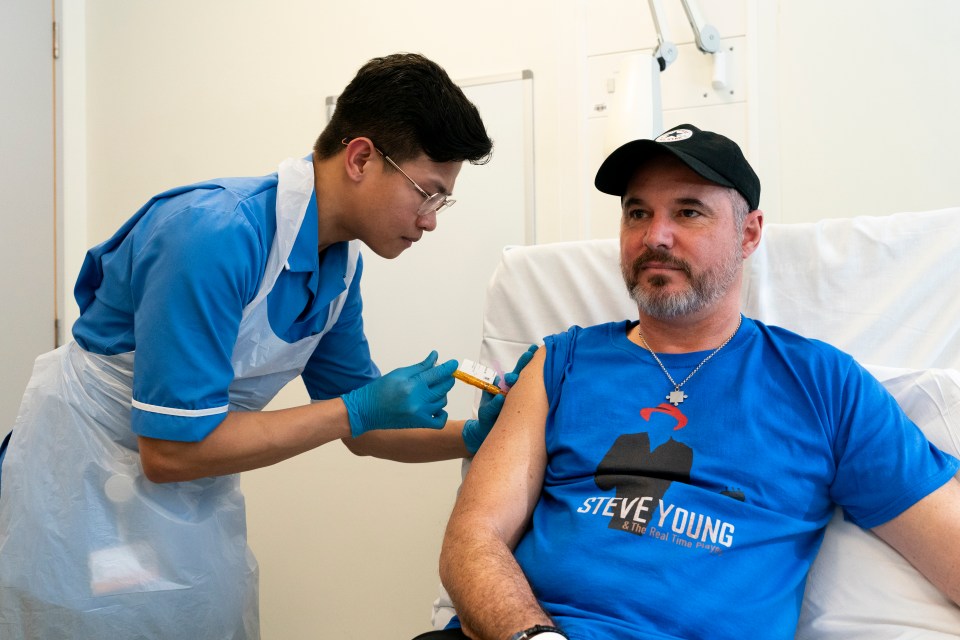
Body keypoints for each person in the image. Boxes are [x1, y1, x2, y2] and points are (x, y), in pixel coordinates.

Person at [0, 52, 532, 640]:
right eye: (428, 194)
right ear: (360, 158)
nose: (431, 221)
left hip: (189, 499)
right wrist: (356, 408)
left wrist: (473, 437)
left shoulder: (338, 270)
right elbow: (170, 451)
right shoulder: (216, 234)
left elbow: (365, 431)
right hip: (80, 486)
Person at [422, 124, 960, 640]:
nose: (655, 236)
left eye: (688, 212)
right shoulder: (560, 362)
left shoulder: (824, 387)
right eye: (638, 213)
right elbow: (473, 539)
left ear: (748, 234)